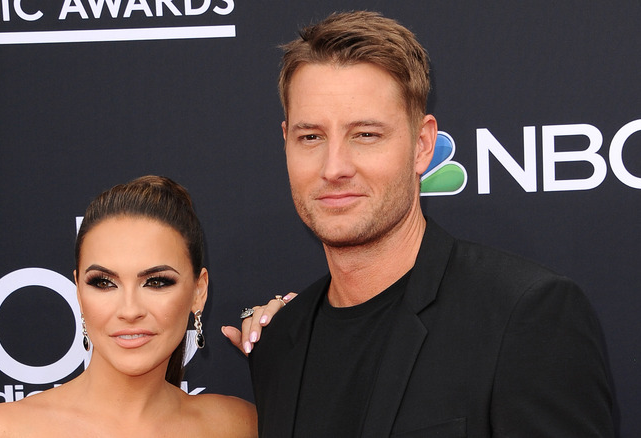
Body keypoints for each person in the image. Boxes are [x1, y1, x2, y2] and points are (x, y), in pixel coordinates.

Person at [222, 11, 614, 437]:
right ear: (286, 143)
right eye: (311, 137)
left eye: (366, 135)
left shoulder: (523, 317)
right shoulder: (281, 342)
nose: (334, 167)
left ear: (423, 145)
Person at [0, 176, 257, 437]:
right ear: (79, 291)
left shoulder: (240, 425)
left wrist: (298, 337)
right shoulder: (4, 431)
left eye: (156, 282)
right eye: (104, 283)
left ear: (198, 291)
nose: (129, 311)